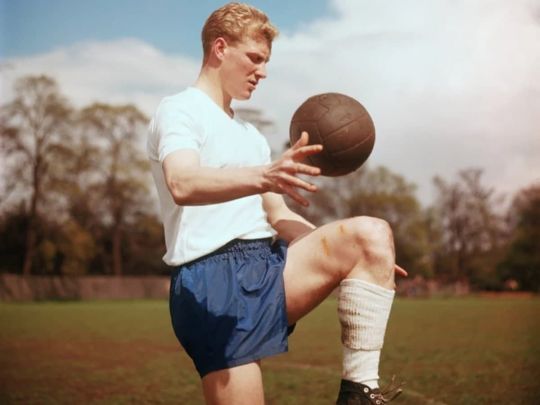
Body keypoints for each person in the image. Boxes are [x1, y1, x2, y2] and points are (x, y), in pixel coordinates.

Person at [147, 3, 407, 404]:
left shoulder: (251, 136)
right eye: (255, 58)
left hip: (264, 265)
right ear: (220, 48)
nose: (263, 72)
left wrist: (362, 255)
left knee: (370, 234)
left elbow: (277, 214)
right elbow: (182, 182)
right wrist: (264, 175)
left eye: (266, 61)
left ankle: (360, 393)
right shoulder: (180, 110)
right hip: (211, 281)